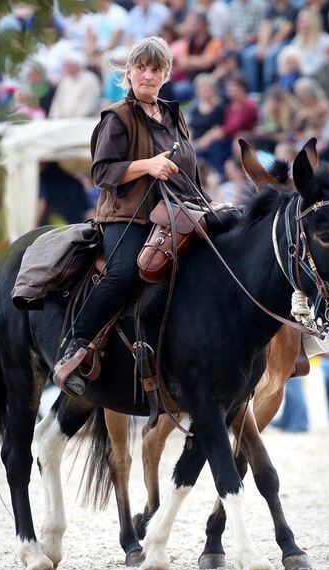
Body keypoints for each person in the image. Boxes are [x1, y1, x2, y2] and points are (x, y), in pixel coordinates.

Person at [53, 37, 210, 394]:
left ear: (166, 74)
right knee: (124, 273)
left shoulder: (173, 114)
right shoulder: (117, 116)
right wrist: (147, 166)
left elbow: (189, 169)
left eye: (156, 69)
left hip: (177, 212)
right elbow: (102, 172)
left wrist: (207, 204)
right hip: (128, 216)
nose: (148, 75)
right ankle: (76, 345)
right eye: (141, 68)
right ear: (129, 72)